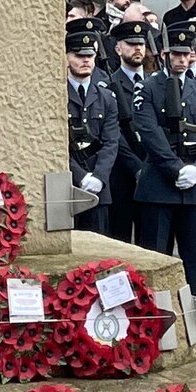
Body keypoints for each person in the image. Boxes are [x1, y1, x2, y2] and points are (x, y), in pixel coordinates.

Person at [132, 22, 196, 288]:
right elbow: (150, 132)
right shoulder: (147, 88)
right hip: (159, 184)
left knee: (194, 260)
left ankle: (195, 314)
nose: (181, 59)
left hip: (194, 188)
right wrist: (175, 168)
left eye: (186, 53)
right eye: (176, 54)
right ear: (165, 55)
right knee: (155, 259)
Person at [66, 16, 119, 234]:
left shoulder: (105, 97)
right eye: (79, 56)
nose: (85, 60)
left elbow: (111, 141)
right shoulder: (57, 95)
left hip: (99, 188)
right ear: (67, 57)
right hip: (68, 186)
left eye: (89, 55)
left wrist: (99, 176)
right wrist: (80, 176)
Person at [103, 16, 151, 244]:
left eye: (141, 43)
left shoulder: (156, 83)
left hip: (152, 171)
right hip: (121, 174)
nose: (138, 48)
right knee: (118, 241)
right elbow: (112, 133)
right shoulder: (108, 84)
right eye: (131, 44)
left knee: (150, 244)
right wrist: (135, 166)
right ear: (118, 47)